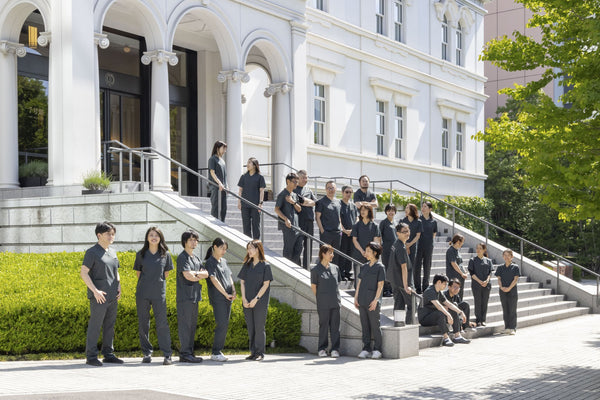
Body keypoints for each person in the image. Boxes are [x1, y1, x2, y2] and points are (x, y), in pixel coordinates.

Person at [80, 221, 123, 367]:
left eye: (113, 234)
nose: (111, 236)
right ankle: (91, 356)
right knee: (95, 325)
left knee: (109, 325)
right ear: (99, 235)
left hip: (112, 296)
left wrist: (119, 286)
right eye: (108, 234)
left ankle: (108, 354)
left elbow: (116, 271)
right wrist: (95, 291)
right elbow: (84, 273)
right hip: (99, 296)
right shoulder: (92, 252)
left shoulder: (112, 252)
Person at [133, 227, 174, 365]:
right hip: (143, 293)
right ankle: (146, 353)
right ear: (147, 238)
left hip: (158, 294)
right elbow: (139, 274)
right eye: (151, 235)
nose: (153, 237)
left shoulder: (165, 255)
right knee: (144, 324)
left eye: (156, 235)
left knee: (162, 323)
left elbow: (166, 274)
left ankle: (167, 354)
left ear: (160, 238)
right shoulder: (140, 254)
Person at [176, 229, 208, 363]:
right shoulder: (182, 257)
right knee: (185, 326)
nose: (194, 242)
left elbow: (206, 273)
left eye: (195, 240)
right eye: (191, 240)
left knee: (192, 326)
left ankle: (190, 353)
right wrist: (197, 275)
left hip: (195, 296)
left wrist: (196, 275)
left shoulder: (196, 258)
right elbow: (188, 276)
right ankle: (184, 353)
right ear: (185, 242)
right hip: (185, 297)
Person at [238, 240, 273, 361]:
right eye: (248, 249)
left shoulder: (265, 265)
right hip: (247, 300)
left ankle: (259, 353)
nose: (249, 251)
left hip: (260, 301)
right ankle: (253, 352)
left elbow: (266, 284)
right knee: (251, 327)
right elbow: (242, 282)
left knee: (259, 327)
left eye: (251, 248)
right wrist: (243, 298)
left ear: (258, 249)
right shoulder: (247, 265)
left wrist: (256, 299)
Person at [204, 237, 236, 361]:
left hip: (228, 297)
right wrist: (224, 293)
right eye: (222, 248)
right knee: (221, 323)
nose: (224, 251)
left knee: (224, 324)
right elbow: (213, 279)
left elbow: (230, 277)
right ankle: (216, 352)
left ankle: (217, 351)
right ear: (215, 247)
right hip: (218, 298)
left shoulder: (224, 261)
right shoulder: (210, 262)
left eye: (225, 249)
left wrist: (233, 290)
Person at [417, 274, 469, 347]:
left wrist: (461, 312)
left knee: (451, 310)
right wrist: (448, 315)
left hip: (434, 316)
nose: (445, 286)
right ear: (438, 282)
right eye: (444, 284)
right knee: (440, 313)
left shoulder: (439, 292)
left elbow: (449, 304)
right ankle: (446, 338)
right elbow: (438, 306)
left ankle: (457, 336)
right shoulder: (430, 291)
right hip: (425, 318)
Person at [354, 242, 386, 359]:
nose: (366, 253)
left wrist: (376, 300)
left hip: (373, 300)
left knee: (375, 325)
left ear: (375, 253)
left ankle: (378, 349)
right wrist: (356, 297)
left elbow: (380, 285)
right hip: (362, 299)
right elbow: (359, 283)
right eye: (366, 250)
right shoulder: (364, 266)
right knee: (365, 325)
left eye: (368, 251)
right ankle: (366, 348)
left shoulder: (380, 267)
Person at [311, 244, 342, 358]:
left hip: (335, 302)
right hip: (323, 303)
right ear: (323, 254)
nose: (332, 255)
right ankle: (322, 349)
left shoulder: (335, 268)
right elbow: (314, 287)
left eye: (332, 253)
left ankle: (335, 349)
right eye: (330, 253)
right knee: (323, 325)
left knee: (335, 327)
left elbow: (337, 283)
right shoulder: (315, 270)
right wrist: (321, 298)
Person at [387, 223, 414, 325]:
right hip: (402, 281)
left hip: (395, 280)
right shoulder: (400, 247)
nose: (407, 233)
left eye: (408, 230)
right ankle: (408, 326)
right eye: (404, 232)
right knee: (412, 304)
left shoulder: (396, 244)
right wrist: (406, 286)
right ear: (398, 233)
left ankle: (399, 325)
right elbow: (403, 267)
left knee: (399, 304)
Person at [274, 173, 303, 265]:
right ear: (288, 181)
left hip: (297, 227)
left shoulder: (294, 195)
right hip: (288, 227)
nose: (296, 184)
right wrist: (285, 219)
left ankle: (293, 266)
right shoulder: (282, 195)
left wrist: (292, 202)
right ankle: (287, 268)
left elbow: (299, 209)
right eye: (294, 182)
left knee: (298, 249)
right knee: (288, 250)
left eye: (297, 182)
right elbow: (276, 209)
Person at [237, 157, 266, 239]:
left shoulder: (260, 177)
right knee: (246, 226)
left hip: (255, 205)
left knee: (256, 226)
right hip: (245, 205)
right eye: (247, 162)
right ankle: (247, 243)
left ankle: (256, 244)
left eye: (250, 163)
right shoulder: (243, 176)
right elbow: (240, 191)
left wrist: (260, 203)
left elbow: (261, 191)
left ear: (254, 165)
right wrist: (239, 202)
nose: (247, 164)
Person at [294, 170, 317, 269]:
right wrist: (308, 202)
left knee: (309, 245)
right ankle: (297, 265)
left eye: (306, 177)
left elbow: (315, 202)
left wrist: (306, 202)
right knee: (298, 245)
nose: (305, 180)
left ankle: (307, 266)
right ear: (298, 178)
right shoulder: (294, 190)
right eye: (303, 177)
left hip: (309, 220)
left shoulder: (308, 190)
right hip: (299, 221)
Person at [414, 201, 438, 293]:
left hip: (428, 247)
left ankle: (425, 286)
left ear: (430, 209)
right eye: (422, 206)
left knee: (427, 267)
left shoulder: (434, 221)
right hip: (419, 246)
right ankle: (417, 287)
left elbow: (434, 234)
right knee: (417, 267)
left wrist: (429, 243)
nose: (423, 208)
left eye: (425, 207)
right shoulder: (418, 220)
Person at [468, 243, 494, 326]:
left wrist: (486, 281)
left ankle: (483, 320)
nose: (478, 250)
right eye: (477, 248)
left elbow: (490, 272)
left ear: (484, 250)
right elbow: (472, 273)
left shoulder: (488, 261)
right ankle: (478, 320)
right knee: (478, 301)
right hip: (476, 284)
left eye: (480, 248)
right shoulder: (472, 260)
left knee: (485, 302)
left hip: (487, 285)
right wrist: (480, 281)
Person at [315, 181, 342, 260]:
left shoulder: (338, 202)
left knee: (336, 257)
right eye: (329, 188)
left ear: (336, 189)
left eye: (332, 188)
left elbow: (339, 216)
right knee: (325, 256)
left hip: (337, 233)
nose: (331, 190)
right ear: (325, 189)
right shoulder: (321, 202)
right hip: (326, 233)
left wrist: (340, 229)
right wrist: (322, 230)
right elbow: (317, 217)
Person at [495, 249, 520, 335]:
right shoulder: (500, 267)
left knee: (512, 309)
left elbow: (515, 279)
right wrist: (501, 287)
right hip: (502, 291)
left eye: (508, 255)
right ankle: (507, 327)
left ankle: (512, 328)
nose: (506, 257)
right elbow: (499, 279)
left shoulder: (515, 267)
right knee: (505, 309)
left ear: (512, 257)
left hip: (512, 291)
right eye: (504, 255)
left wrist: (509, 288)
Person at [339, 185, 359, 280]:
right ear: (342, 193)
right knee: (343, 252)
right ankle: (341, 272)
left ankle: (348, 272)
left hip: (351, 233)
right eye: (347, 192)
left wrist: (353, 230)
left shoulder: (353, 206)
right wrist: (344, 230)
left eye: (350, 192)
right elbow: (338, 219)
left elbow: (357, 218)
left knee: (350, 253)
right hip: (343, 233)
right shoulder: (339, 204)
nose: (348, 194)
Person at [379, 204, 397, 297]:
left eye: (393, 210)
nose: (391, 212)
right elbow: (379, 236)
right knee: (386, 269)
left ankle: (391, 288)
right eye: (389, 210)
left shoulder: (395, 223)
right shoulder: (383, 223)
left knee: (392, 270)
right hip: (386, 250)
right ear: (386, 212)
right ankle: (386, 289)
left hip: (394, 250)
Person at [401, 203, 422, 278]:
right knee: (403, 265)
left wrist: (409, 245)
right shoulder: (403, 221)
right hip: (403, 245)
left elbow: (418, 236)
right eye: (405, 208)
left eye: (407, 208)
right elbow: (400, 234)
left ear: (412, 210)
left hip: (413, 246)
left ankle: (410, 284)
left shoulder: (418, 222)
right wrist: (406, 245)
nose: (405, 210)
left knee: (411, 266)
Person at [208, 140, 228, 222]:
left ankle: (222, 224)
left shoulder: (222, 161)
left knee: (224, 208)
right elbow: (212, 172)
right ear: (217, 148)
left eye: (225, 149)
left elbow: (225, 175)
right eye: (223, 148)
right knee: (215, 207)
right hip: (216, 187)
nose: (224, 151)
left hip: (223, 188)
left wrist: (227, 185)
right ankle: (214, 225)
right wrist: (219, 183)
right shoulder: (212, 159)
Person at [446, 234, 468, 300]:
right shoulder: (450, 250)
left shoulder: (457, 251)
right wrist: (462, 273)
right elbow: (453, 263)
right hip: (454, 276)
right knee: (454, 293)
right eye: (462, 242)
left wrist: (465, 272)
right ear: (458, 241)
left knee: (460, 294)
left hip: (461, 277)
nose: (462, 243)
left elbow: (460, 263)